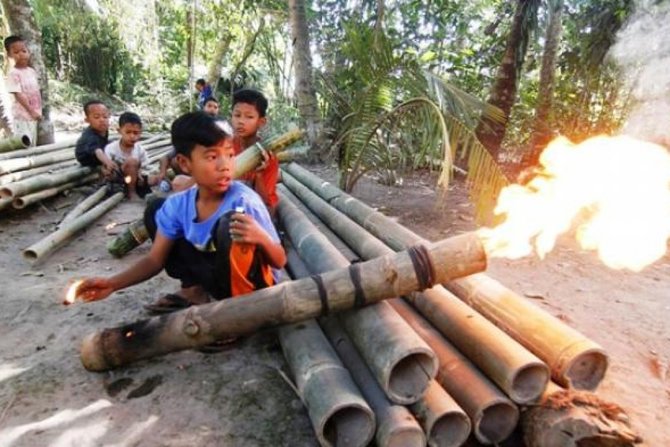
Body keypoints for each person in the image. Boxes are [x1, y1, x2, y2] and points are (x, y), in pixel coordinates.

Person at [76, 112, 286, 313]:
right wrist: (112, 284)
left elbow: (279, 261)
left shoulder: (244, 201)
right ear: (185, 164)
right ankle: (195, 291)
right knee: (156, 209)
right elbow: (155, 260)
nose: (225, 166)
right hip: (215, 273)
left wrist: (261, 238)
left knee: (230, 224)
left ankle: (235, 314)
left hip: (252, 287)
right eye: (212, 157)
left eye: (230, 155)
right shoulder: (179, 205)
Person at [231, 88, 279, 215]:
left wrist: (259, 175)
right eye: (237, 115)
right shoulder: (224, 147)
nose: (240, 121)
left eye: (249, 117)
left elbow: (266, 204)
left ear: (261, 122)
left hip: (255, 208)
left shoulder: (268, 156)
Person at [104, 112, 156, 199]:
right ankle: (131, 192)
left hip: (134, 179)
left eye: (135, 133)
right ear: (119, 131)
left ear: (140, 133)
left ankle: (136, 187)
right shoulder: (111, 148)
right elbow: (107, 167)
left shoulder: (140, 149)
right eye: (128, 132)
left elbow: (146, 166)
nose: (132, 136)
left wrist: (140, 173)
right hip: (119, 179)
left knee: (156, 178)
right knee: (132, 162)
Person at [3, 35, 42, 146]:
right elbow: (18, 95)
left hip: (33, 115)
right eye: (16, 52)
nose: (21, 54)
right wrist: (31, 111)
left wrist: (37, 111)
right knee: (25, 143)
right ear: (10, 55)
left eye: (24, 51)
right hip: (22, 116)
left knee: (33, 143)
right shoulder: (13, 73)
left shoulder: (31, 71)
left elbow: (35, 92)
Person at [74, 100, 118, 175]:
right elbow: (97, 151)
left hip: (100, 150)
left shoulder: (104, 130)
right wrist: (107, 162)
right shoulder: (90, 135)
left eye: (105, 116)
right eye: (96, 117)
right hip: (88, 157)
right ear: (87, 120)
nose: (102, 120)